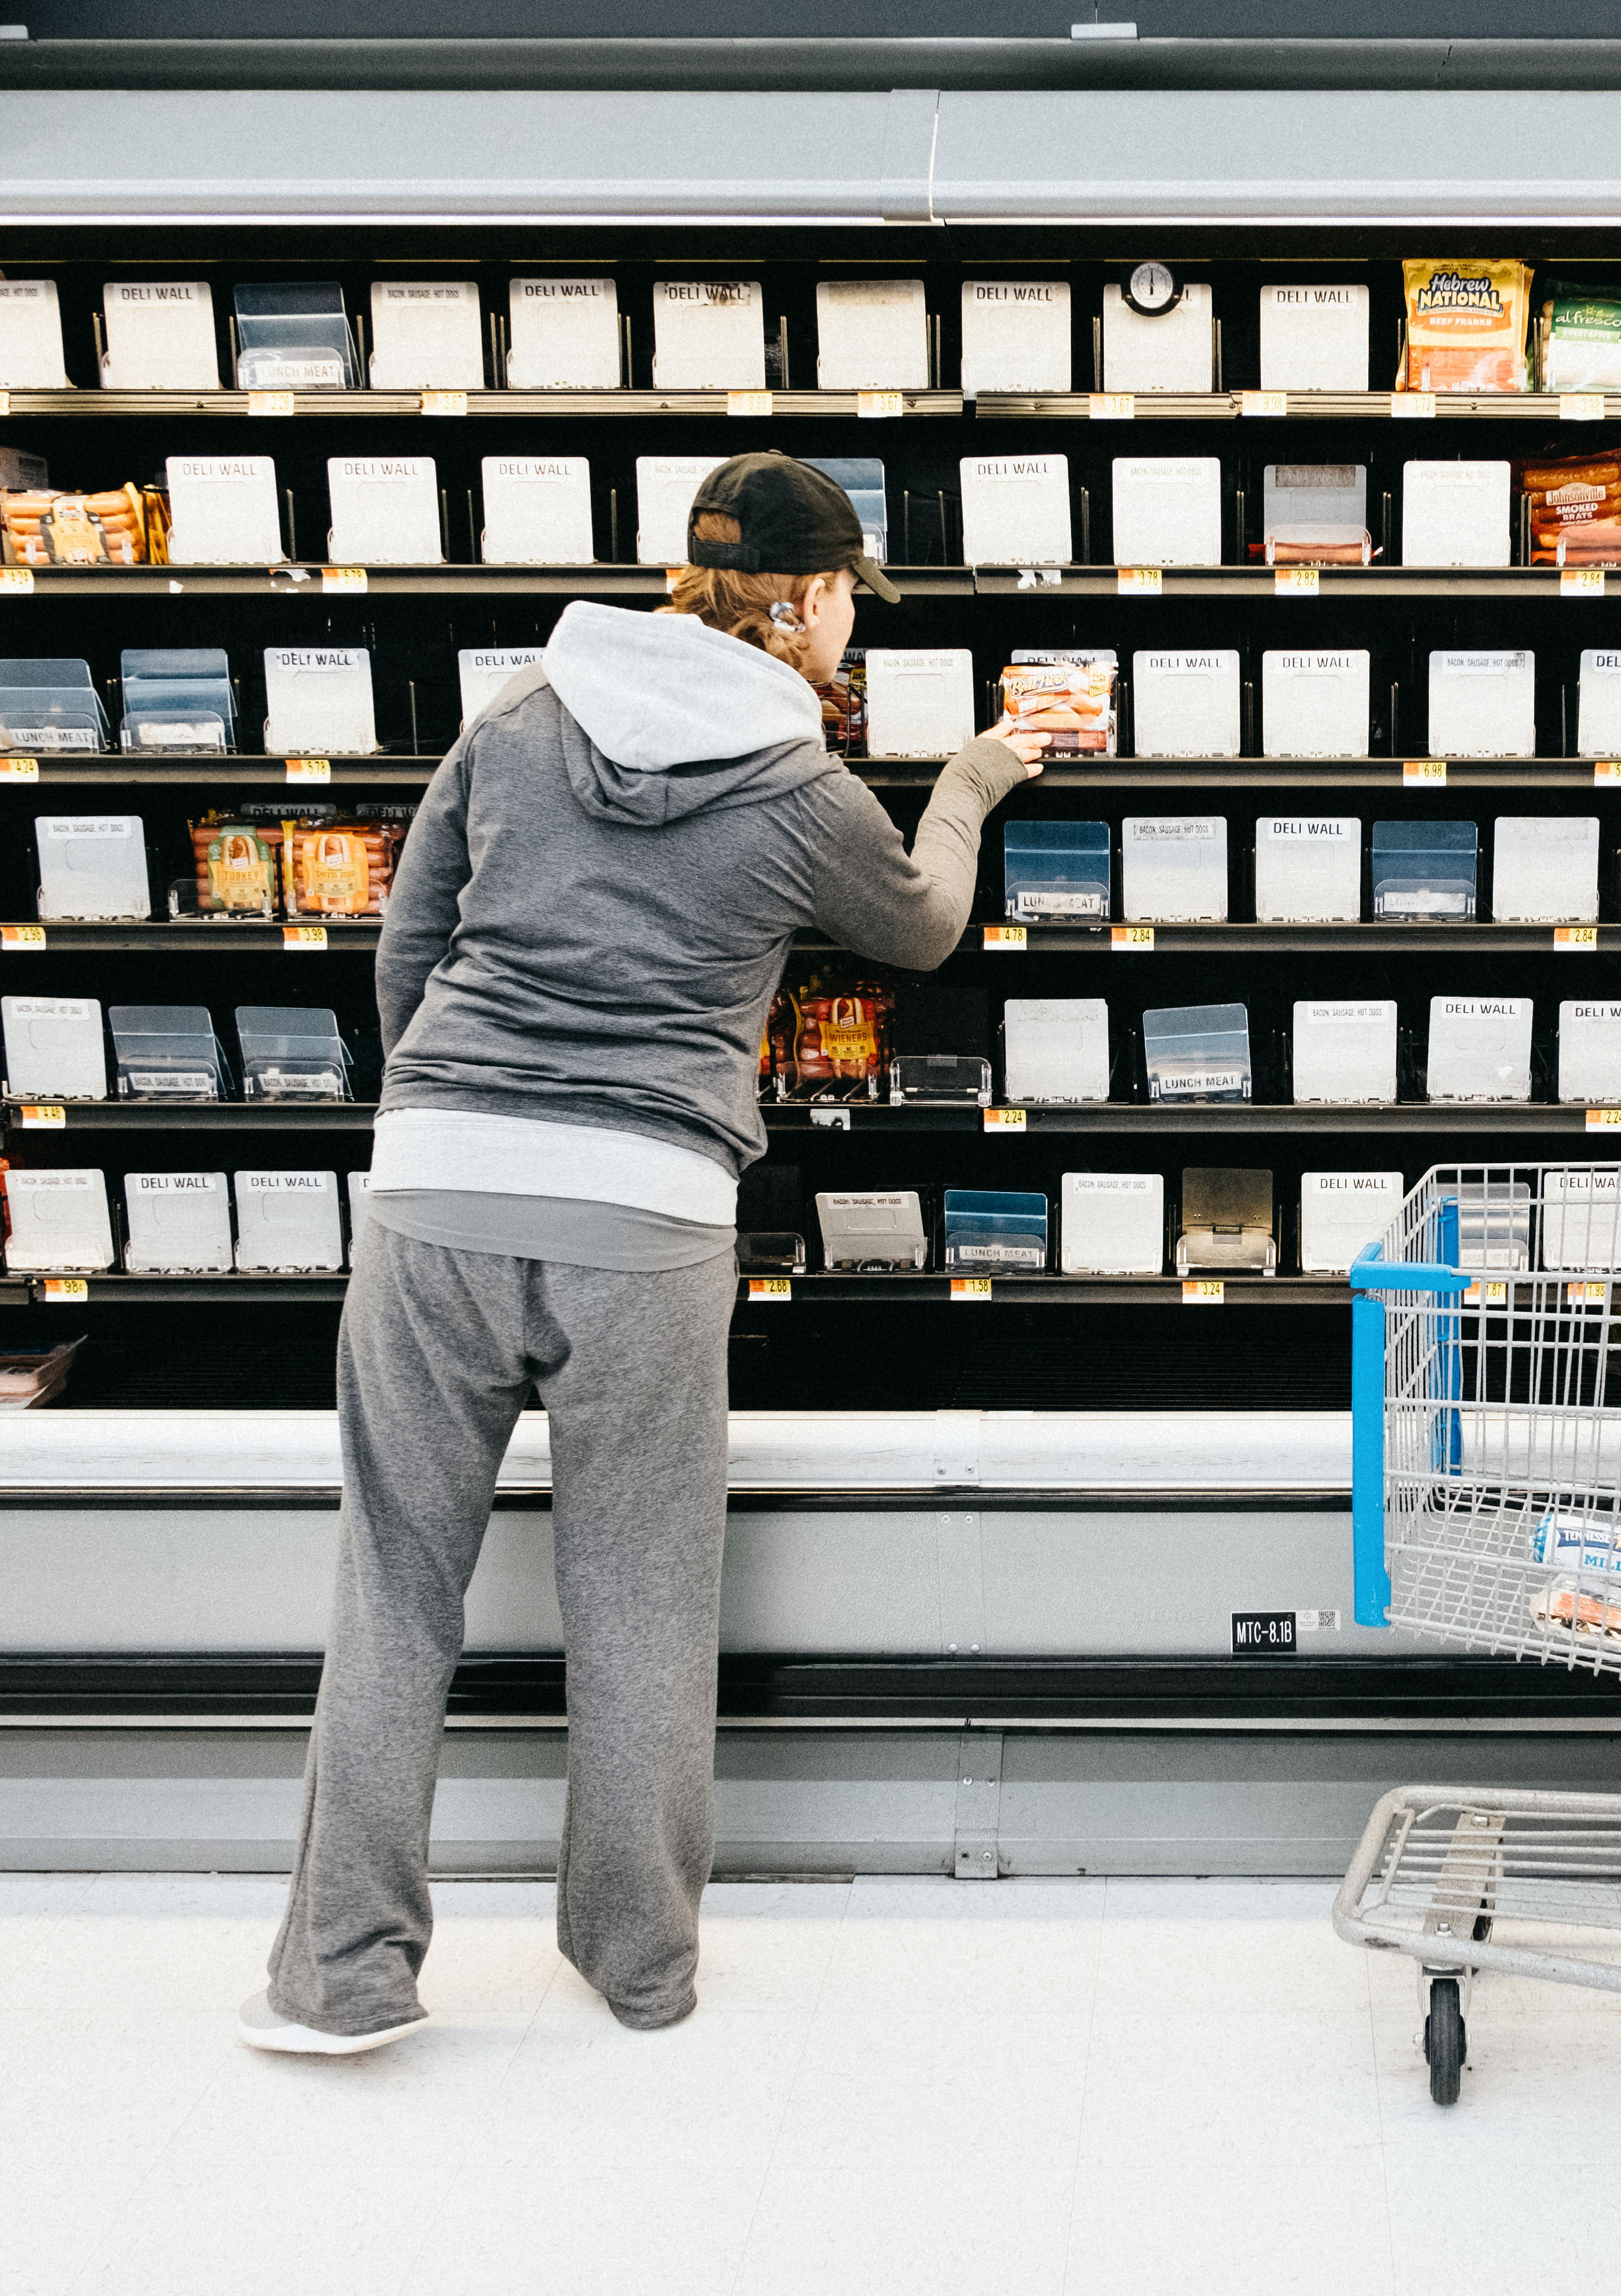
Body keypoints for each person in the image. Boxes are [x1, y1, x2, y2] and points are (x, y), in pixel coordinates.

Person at [242, 452, 1038, 2053]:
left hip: (437, 1192)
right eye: (843, 613)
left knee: (393, 1585)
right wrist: (967, 781)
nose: (843, 644)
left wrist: (445, 1119)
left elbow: (411, 936)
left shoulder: (523, 712)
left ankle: (342, 1974)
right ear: (804, 598)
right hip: (646, 1214)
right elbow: (921, 926)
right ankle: (638, 1962)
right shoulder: (804, 789)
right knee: (642, 1596)